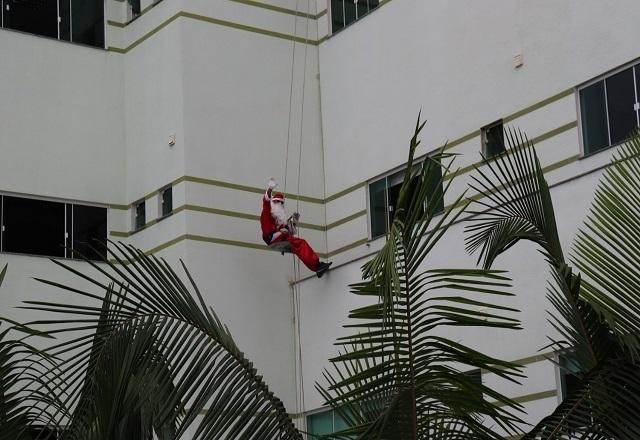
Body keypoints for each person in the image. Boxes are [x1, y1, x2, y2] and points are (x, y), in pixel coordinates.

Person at [261, 178, 332, 278]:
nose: (279, 204)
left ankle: (317, 266)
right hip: (271, 237)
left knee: (300, 245)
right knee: (298, 242)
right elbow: (266, 201)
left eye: (281, 202)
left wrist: (294, 222)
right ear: (273, 202)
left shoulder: (279, 219)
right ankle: (317, 266)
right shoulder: (268, 211)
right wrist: (270, 189)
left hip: (279, 237)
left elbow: (290, 231)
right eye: (277, 202)